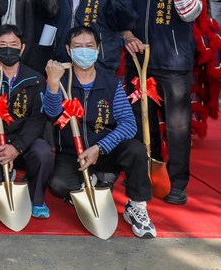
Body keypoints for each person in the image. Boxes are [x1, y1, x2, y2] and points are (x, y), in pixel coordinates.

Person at [44, 27, 156, 239]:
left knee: (135, 149)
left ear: (98, 49)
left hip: (104, 149)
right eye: (78, 47)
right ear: (68, 50)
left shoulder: (111, 82)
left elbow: (129, 124)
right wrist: (52, 84)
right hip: (72, 153)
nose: (84, 51)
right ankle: (96, 182)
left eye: (89, 46)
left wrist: (100, 147)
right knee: (58, 185)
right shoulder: (62, 78)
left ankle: (137, 206)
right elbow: (51, 113)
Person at [122, 0, 202, 206]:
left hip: (174, 64)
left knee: (178, 126)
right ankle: (147, 172)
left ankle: (178, 182)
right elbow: (123, 20)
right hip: (139, 63)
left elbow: (190, 12)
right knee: (142, 121)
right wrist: (128, 36)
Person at [0, 25, 52, 218]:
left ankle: (36, 198)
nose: (9, 49)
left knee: (44, 154)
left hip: (25, 140)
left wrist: (17, 147)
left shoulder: (35, 78)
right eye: (3, 45)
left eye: (14, 44)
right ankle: (6, 176)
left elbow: (37, 119)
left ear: (22, 48)